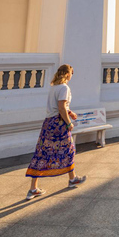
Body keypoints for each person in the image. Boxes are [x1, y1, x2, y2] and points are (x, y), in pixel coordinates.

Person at [25, 64, 87, 199]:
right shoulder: (64, 88)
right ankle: (72, 179)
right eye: (71, 72)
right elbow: (60, 107)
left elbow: (60, 106)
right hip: (58, 124)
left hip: (48, 123)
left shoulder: (54, 87)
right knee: (69, 150)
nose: (72, 75)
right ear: (66, 73)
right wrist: (69, 122)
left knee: (42, 153)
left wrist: (70, 112)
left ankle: (33, 188)